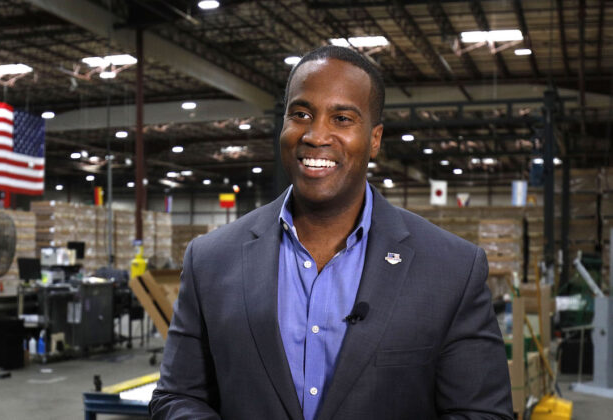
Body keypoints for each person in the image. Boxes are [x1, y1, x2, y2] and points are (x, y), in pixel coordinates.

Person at [150, 45, 513, 420]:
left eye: (341, 118)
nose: (316, 135)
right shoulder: (210, 259)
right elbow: (176, 397)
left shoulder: (451, 269)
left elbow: (482, 413)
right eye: (302, 114)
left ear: (374, 139)